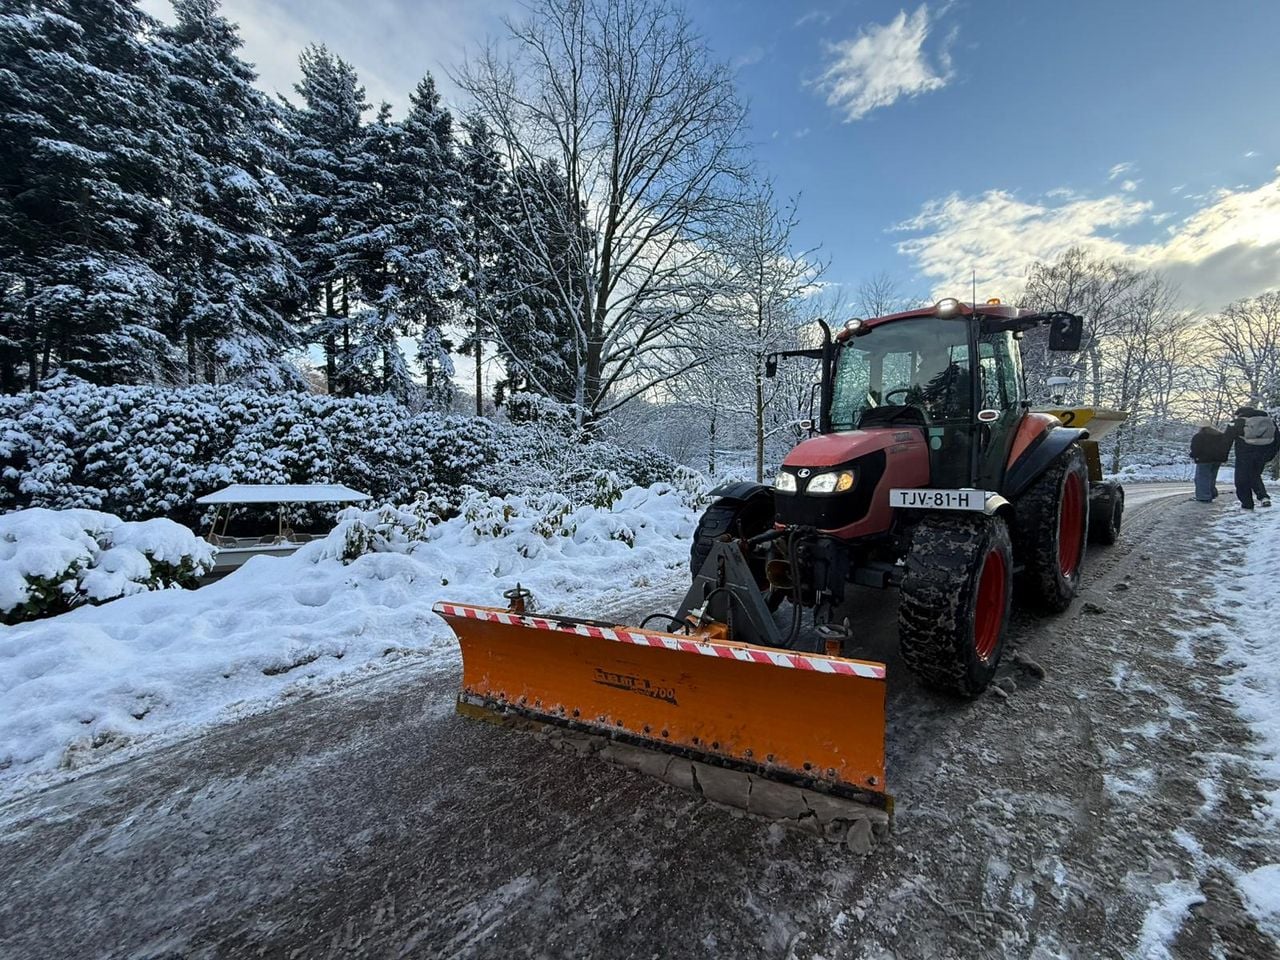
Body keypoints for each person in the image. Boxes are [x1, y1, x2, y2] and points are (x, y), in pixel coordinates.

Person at [1231, 405, 1278, 509]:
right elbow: (1277, 439)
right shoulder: (1269, 421)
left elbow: (1226, 439)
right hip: (1263, 455)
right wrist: (1270, 454)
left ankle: (1247, 503)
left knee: (1241, 480)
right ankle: (1263, 497)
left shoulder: (1238, 422)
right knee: (1254, 475)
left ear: (1240, 414)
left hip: (1244, 455)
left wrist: (1220, 456)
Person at [1189, 422, 1232, 502]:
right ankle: (1212, 493)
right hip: (1217, 460)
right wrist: (1223, 457)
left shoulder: (1199, 436)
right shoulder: (1220, 436)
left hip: (1204, 460)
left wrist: (1193, 456)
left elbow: (1195, 448)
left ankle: (1204, 497)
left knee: (1202, 478)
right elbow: (1226, 447)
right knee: (1212, 478)